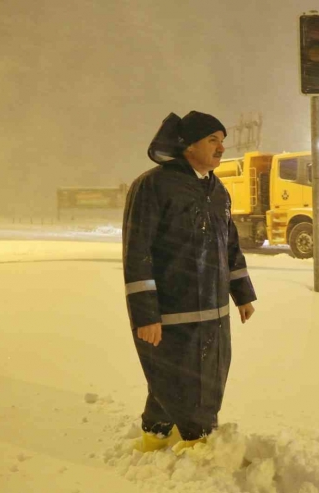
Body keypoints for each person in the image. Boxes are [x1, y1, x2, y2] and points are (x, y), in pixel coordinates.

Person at [122, 111, 256, 454]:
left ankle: (155, 435)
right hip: (172, 312)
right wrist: (146, 314)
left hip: (213, 310)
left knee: (201, 374)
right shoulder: (152, 186)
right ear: (187, 145)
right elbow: (138, 252)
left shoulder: (217, 190)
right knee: (183, 377)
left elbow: (230, 245)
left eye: (222, 140)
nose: (221, 147)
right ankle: (198, 443)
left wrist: (241, 293)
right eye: (213, 140)